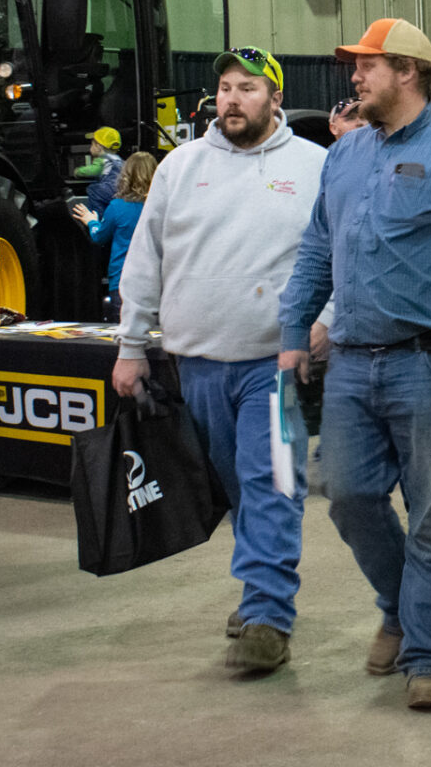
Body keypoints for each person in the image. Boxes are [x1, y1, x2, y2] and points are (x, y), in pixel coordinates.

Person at [278, 17, 431, 713]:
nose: (354, 78)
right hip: (352, 361)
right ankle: (401, 606)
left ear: (408, 71)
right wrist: (296, 328)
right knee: (348, 492)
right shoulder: (345, 157)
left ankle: (427, 655)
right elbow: (318, 251)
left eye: (367, 66)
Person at [111, 46, 327, 675]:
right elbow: (144, 261)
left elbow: (346, 251)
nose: (233, 98)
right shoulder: (180, 168)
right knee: (235, 486)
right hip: (197, 364)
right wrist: (131, 347)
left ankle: (267, 615)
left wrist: (328, 323)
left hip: (277, 363)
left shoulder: (315, 167)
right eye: (226, 87)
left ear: (275, 99)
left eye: (249, 88)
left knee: (272, 482)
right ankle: (262, 586)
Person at [72, 152, 156, 324]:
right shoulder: (160, 208)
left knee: (125, 336)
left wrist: (92, 222)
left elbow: (99, 237)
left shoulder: (117, 207)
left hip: (122, 283)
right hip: (153, 283)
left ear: (126, 175)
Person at [75, 127, 124, 216]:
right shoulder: (118, 159)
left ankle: (97, 216)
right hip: (121, 189)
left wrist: (78, 172)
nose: (91, 147)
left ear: (98, 147)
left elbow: (93, 170)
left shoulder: (102, 159)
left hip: (110, 188)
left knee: (93, 189)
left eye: (92, 144)